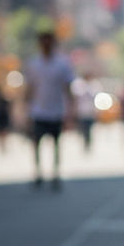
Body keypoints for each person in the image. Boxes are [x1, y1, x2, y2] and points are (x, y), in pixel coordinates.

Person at [24, 28, 74, 189]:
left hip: (56, 111)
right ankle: (38, 171)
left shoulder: (62, 64)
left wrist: (71, 111)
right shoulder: (34, 64)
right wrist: (25, 111)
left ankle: (55, 173)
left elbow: (68, 88)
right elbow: (29, 89)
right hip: (38, 111)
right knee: (36, 143)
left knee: (56, 145)